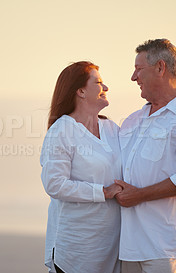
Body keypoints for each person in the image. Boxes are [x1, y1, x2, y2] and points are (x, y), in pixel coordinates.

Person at [115, 39, 176, 273]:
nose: (133, 77)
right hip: (127, 247)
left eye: (139, 69)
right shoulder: (132, 120)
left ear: (160, 68)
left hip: (164, 248)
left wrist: (139, 195)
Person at [40, 61, 122, 273]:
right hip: (76, 251)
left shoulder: (112, 129)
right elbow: (55, 184)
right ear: (81, 91)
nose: (106, 88)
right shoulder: (62, 130)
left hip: (110, 250)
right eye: (99, 82)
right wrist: (102, 192)